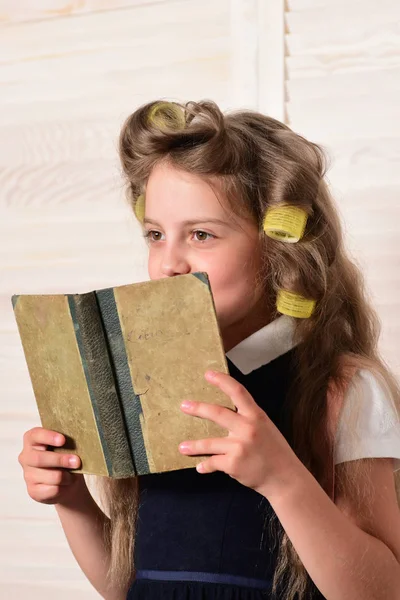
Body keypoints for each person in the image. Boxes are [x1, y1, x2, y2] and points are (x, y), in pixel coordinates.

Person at [18, 100, 400, 600]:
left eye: (201, 234)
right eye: (155, 234)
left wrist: (283, 480)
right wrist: (72, 500)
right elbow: (130, 585)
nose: (167, 264)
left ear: (278, 247)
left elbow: (382, 592)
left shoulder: (340, 388)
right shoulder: (145, 382)